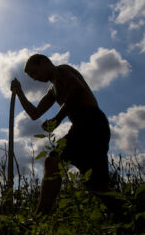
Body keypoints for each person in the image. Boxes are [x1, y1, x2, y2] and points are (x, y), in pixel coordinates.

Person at [10, 54, 111, 216]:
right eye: (31, 77)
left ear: (44, 62)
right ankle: (131, 220)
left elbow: (78, 89)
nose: (35, 79)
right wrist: (20, 91)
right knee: (98, 187)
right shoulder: (53, 90)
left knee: (53, 162)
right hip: (84, 127)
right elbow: (35, 113)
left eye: (35, 73)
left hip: (91, 122)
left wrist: (57, 118)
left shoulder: (62, 71)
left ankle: (40, 219)